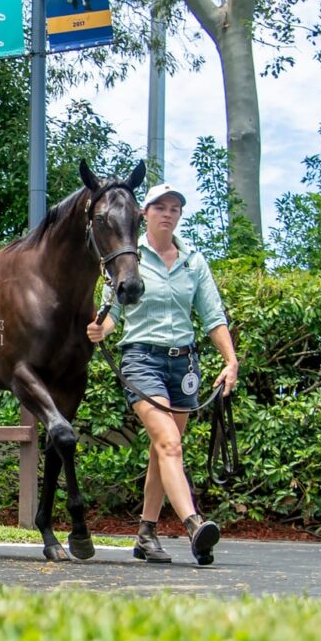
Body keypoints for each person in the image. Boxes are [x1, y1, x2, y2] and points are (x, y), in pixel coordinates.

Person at [87, 183, 239, 565]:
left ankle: (146, 533)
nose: (168, 213)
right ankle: (193, 524)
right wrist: (98, 330)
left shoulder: (194, 263)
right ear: (144, 214)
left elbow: (213, 317)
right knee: (170, 443)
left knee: (163, 450)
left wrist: (230, 361)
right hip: (141, 360)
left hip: (184, 365)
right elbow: (112, 316)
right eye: (160, 207)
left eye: (175, 208)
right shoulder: (127, 257)